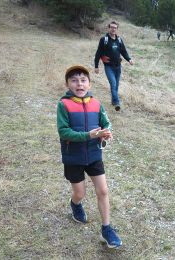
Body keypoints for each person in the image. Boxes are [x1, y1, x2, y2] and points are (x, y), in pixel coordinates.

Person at [57, 65, 122, 248]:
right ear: (68, 84)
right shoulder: (64, 105)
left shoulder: (96, 103)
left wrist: (107, 131)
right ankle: (75, 204)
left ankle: (106, 229)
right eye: (74, 80)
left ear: (89, 83)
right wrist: (89, 135)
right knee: (80, 193)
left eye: (83, 80)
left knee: (103, 191)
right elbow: (63, 132)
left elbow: (105, 122)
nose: (79, 84)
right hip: (73, 157)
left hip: (94, 155)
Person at [94, 21, 134, 112]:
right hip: (108, 67)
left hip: (118, 66)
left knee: (116, 85)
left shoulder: (119, 40)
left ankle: (113, 101)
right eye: (111, 27)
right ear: (109, 28)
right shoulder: (104, 40)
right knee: (113, 84)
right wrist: (96, 66)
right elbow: (98, 53)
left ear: (117, 29)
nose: (113, 29)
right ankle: (117, 103)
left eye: (115, 27)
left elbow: (123, 51)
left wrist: (129, 59)